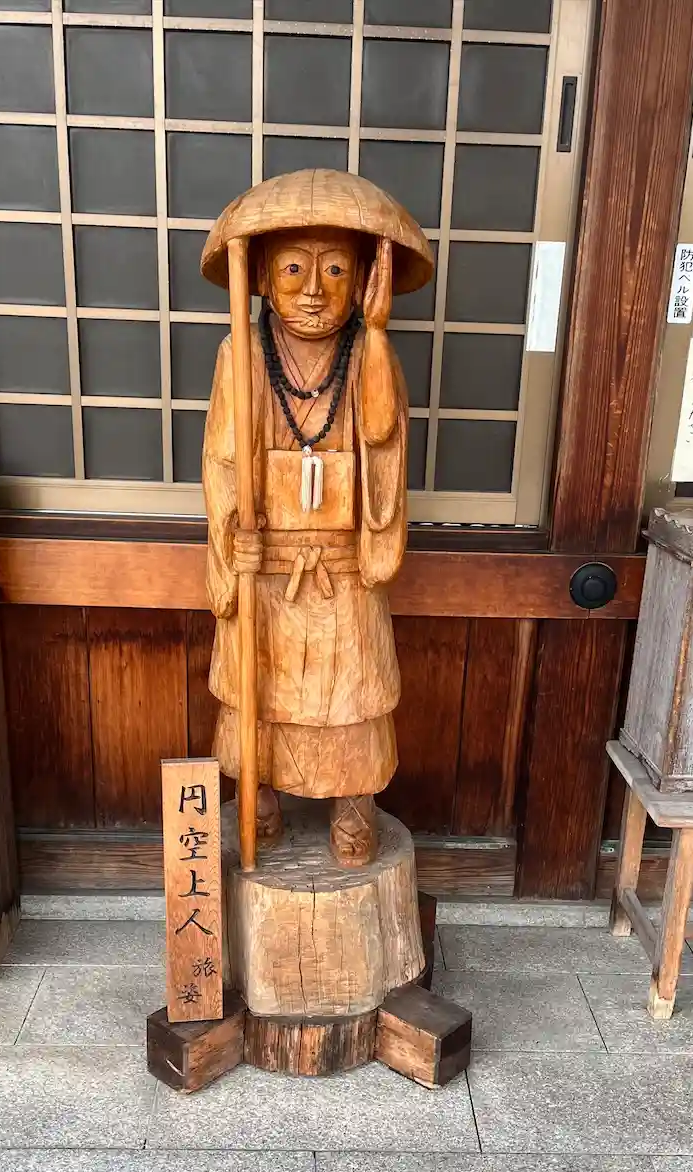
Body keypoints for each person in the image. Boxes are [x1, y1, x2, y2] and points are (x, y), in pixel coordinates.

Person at [199, 170, 433, 867]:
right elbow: (221, 460)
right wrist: (232, 536)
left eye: (334, 270)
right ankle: (260, 801)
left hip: (341, 567)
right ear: (262, 279)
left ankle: (353, 810)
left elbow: (383, 444)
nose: (312, 290)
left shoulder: (368, 355)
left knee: (352, 696)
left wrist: (378, 334)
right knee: (259, 693)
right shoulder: (240, 354)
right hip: (266, 563)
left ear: (362, 282)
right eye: (293, 269)